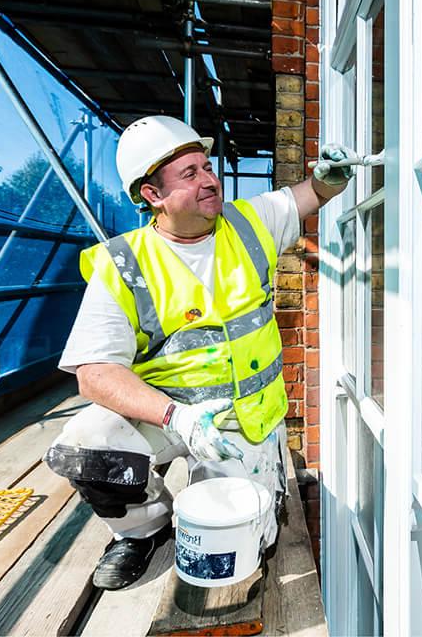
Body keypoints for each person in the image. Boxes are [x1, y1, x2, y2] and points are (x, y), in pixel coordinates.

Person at [44, 116, 354, 590]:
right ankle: (144, 529)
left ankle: (245, 490)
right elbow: (95, 373)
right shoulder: (123, 263)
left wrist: (328, 179)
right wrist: (177, 417)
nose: (210, 179)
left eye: (207, 166)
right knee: (83, 448)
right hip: (165, 411)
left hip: (241, 420)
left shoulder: (249, 222)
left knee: (243, 541)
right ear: (152, 195)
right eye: (189, 174)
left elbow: (310, 194)